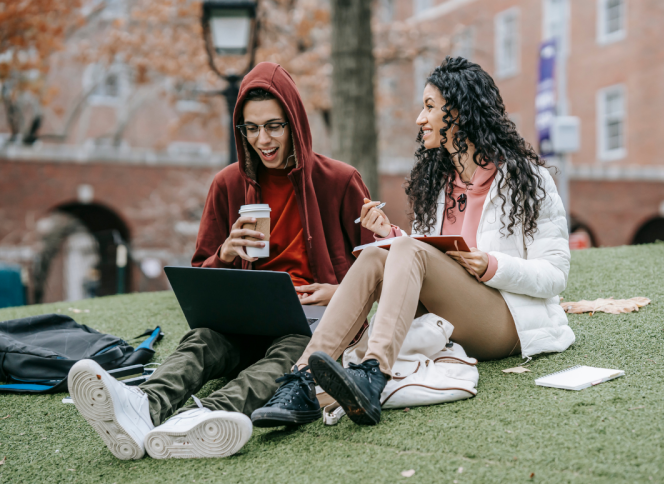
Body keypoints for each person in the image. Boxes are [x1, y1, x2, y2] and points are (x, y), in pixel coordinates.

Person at [67, 62, 374, 460]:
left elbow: (378, 268)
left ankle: (203, 418)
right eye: (251, 128)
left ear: (295, 122)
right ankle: (143, 406)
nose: (262, 139)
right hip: (244, 321)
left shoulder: (340, 180)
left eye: (274, 126)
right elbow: (201, 279)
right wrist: (225, 254)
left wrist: (338, 291)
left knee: (288, 353)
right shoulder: (227, 184)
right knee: (202, 340)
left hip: (311, 323)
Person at [254, 56, 575, 427]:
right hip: (449, 315)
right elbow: (423, 256)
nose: (420, 119)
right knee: (378, 252)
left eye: (429, 107)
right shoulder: (437, 183)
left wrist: (491, 265)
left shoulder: (526, 180)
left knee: (402, 249)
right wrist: (389, 236)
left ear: (460, 114)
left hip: (507, 321)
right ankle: (302, 379)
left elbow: (555, 274)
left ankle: (373, 371)